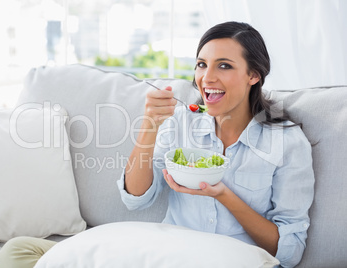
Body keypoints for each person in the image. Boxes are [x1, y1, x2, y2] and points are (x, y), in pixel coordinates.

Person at [117, 21, 314, 268]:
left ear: (253, 75)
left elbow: (289, 253)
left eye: (224, 66)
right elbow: (135, 199)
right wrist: (149, 127)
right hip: (171, 257)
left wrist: (223, 194)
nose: (207, 77)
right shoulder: (180, 122)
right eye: (201, 65)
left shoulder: (287, 143)